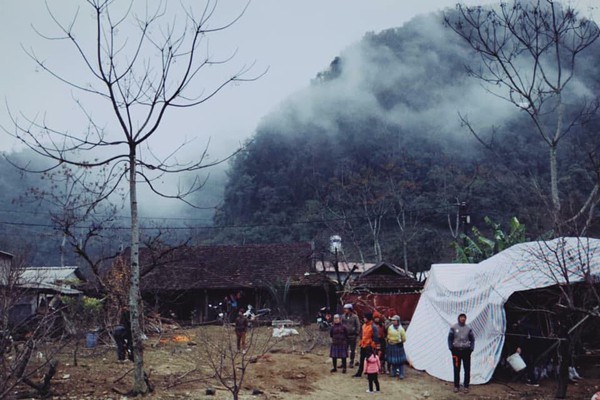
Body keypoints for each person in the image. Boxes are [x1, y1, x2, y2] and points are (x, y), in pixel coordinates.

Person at [448, 313, 475, 393]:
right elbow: (449, 339)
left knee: (467, 369)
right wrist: (451, 348)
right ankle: (456, 386)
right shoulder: (453, 327)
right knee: (456, 369)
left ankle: (466, 386)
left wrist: (471, 349)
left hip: (466, 351)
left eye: (464, 318)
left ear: (465, 319)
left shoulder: (468, 328)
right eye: (461, 317)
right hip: (456, 352)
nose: (463, 319)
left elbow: (472, 339)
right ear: (458, 318)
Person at [353, 312, 377, 378]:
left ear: (368, 318)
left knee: (369, 360)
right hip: (363, 344)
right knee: (361, 359)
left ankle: (370, 373)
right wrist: (361, 341)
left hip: (369, 345)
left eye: (365, 318)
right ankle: (359, 372)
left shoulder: (373, 326)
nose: (364, 319)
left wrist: (373, 344)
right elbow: (362, 335)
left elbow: (375, 337)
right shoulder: (363, 325)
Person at [341, 304, 361, 368]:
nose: (345, 310)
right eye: (344, 309)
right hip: (345, 336)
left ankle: (351, 362)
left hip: (352, 335)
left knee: (352, 350)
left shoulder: (355, 317)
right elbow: (341, 324)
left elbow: (358, 325)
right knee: (344, 349)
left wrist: (356, 333)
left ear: (350, 309)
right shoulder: (343, 316)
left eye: (346, 309)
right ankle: (343, 362)